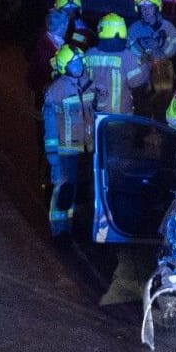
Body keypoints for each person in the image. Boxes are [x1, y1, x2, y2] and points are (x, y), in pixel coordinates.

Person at [41, 43, 98, 237]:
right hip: (65, 151)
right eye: (74, 64)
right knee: (64, 189)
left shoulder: (87, 83)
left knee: (78, 190)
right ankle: (60, 230)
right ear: (64, 67)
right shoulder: (56, 91)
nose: (79, 66)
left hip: (87, 148)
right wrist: (52, 155)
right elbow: (49, 126)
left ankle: (72, 224)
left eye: (80, 62)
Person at [128, 0, 176, 104]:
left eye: (149, 7)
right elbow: (127, 52)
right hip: (142, 78)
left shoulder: (167, 27)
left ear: (156, 8)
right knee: (141, 109)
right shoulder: (134, 29)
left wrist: (163, 46)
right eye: (142, 8)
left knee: (161, 107)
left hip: (164, 77)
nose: (145, 11)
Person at [83, 12, 149, 117]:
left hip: (93, 115)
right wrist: (146, 63)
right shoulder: (127, 56)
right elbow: (136, 82)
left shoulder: (89, 53)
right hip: (120, 117)